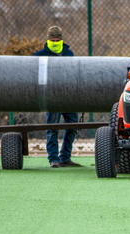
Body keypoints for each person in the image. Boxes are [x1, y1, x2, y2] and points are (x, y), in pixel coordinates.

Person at [33, 26, 81, 168]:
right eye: (52, 40)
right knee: (52, 128)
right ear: (48, 40)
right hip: (50, 97)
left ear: (61, 40)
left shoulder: (68, 53)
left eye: (57, 40)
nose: (55, 42)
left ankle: (65, 157)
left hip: (68, 97)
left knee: (73, 126)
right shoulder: (39, 55)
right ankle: (53, 159)